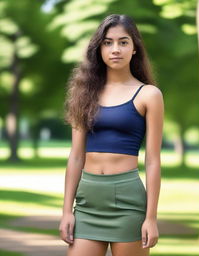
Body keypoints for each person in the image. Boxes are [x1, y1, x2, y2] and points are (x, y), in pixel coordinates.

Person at [59, 13, 164, 256]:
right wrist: (66, 211)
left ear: (135, 48)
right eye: (108, 42)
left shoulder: (149, 95)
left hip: (128, 203)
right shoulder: (84, 93)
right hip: (87, 202)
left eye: (123, 42)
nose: (115, 49)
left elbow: (153, 160)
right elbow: (76, 156)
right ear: (99, 49)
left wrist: (151, 217)